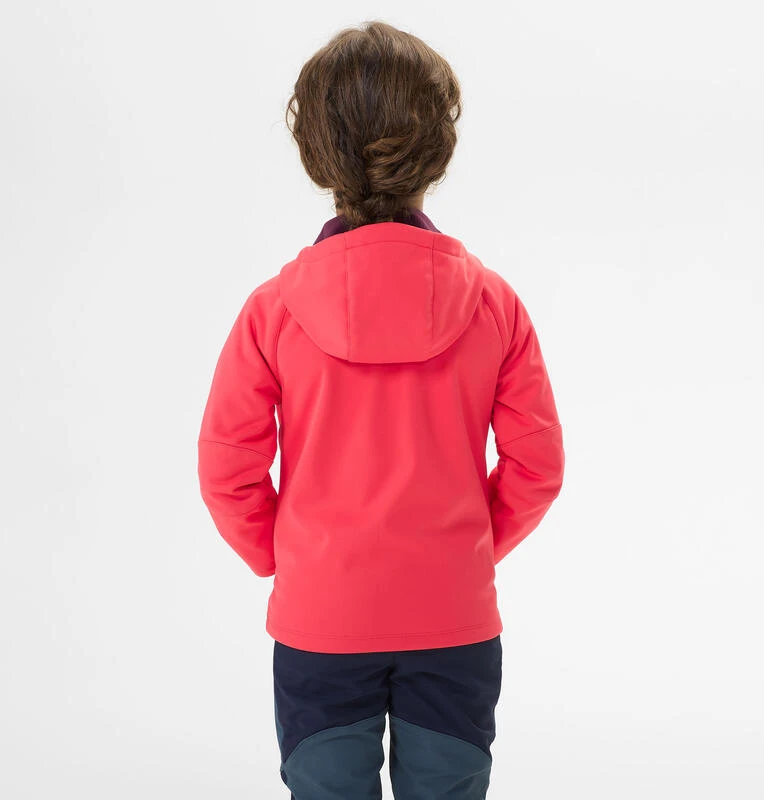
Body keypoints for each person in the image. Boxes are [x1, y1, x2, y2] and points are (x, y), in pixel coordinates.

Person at [197, 19, 565, 800]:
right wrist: (461, 552)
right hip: (454, 618)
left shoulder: (273, 311)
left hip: (321, 619)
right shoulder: (493, 304)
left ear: (316, 151)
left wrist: (290, 559)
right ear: (437, 149)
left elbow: (228, 472)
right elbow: (537, 468)